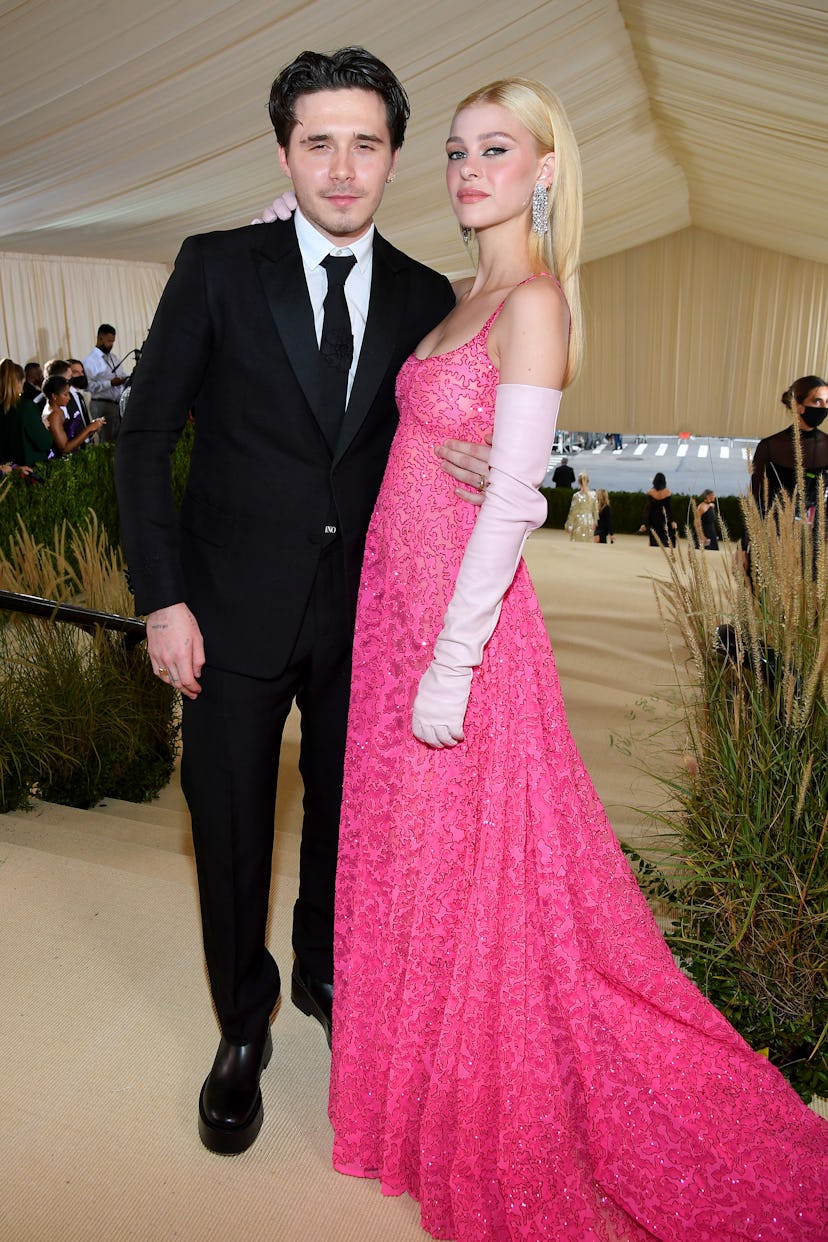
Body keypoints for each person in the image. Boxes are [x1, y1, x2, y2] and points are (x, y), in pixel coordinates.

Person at [328, 77, 828, 1241]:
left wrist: (454, 656)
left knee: (483, 865)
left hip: (464, 618)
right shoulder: (462, 292)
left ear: (545, 169)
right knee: (412, 854)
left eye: (494, 150)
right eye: (455, 151)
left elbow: (510, 496)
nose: (467, 170)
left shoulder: (536, 302)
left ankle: (487, 1091)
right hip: (392, 600)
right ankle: (414, 1085)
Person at [115, 47, 490, 1157]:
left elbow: (452, 419)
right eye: (318, 143)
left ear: (392, 159)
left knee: (345, 819)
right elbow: (144, 440)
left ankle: (323, 967)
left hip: (366, 617)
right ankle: (243, 1024)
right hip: (222, 615)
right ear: (284, 152)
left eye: (364, 144)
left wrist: (480, 464)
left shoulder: (430, 295)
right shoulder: (218, 264)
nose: (341, 168)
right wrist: (162, 599)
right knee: (227, 825)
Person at [750, 375, 828, 518]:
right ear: (798, 406)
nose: (824, 408)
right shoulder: (770, 447)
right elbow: (757, 500)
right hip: (777, 533)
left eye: (827, 402)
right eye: (817, 401)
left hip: (817, 534)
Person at [83, 323, 127, 440]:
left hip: (117, 404)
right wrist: (110, 383)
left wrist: (127, 378)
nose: (111, 344)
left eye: (113, 341)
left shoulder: (113, 357)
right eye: (109, 341)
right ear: (100, 338)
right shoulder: (90, 361)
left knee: (118, 439)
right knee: (106, 441)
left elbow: (121, 375)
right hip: (101, 405)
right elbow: (88, 386)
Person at [41, 376, 104, 455]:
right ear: (54, 396)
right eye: (65, 394)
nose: (69, 398)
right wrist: (88, 429)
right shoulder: (54, 415)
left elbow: (70, 438)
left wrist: (91, 430)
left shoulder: (56, 409)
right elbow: (64, 448)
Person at [642, 470, 677, 546]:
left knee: (654, 542)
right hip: (664, 520)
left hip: (653, 521)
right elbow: (669, 509)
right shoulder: (667, 492)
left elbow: (648, 510)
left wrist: (645, 523)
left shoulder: (650, 492)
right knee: (667, 542)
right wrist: (672, 521)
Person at [564, 470, 598, 539]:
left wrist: (568, 524)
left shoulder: (576, 496)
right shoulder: (593, 495)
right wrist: (595, 522)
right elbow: (595, 510)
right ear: (588, 481)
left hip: (578, 521)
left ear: (579, 482)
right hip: (589, 521)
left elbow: (573, 511)